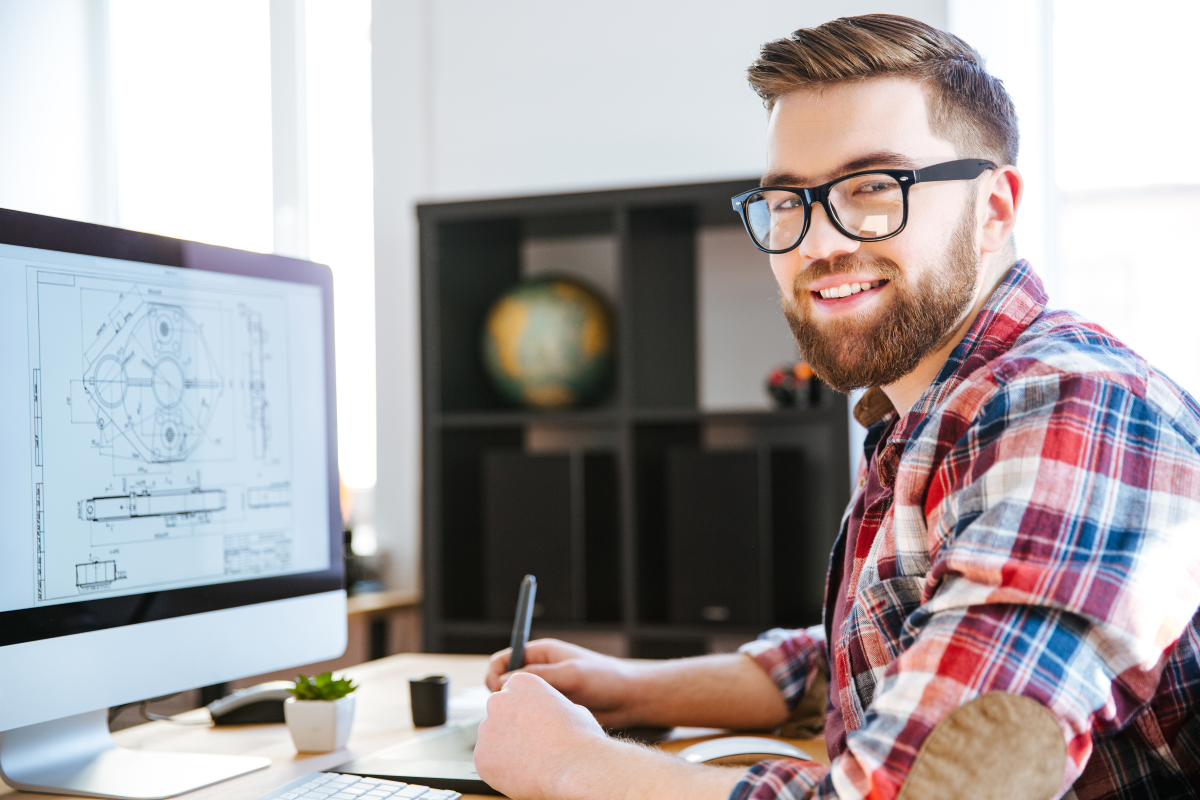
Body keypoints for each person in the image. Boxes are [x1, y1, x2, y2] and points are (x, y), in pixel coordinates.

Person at [472, 14, 1200, 800]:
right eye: (788, 203)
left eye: (873, 189)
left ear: (995, 209)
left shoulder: (1072, 414)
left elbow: (930, 792)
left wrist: (572, 765)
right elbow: (878, 653)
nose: (817, 245)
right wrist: (624, 687)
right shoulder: (930, 408)